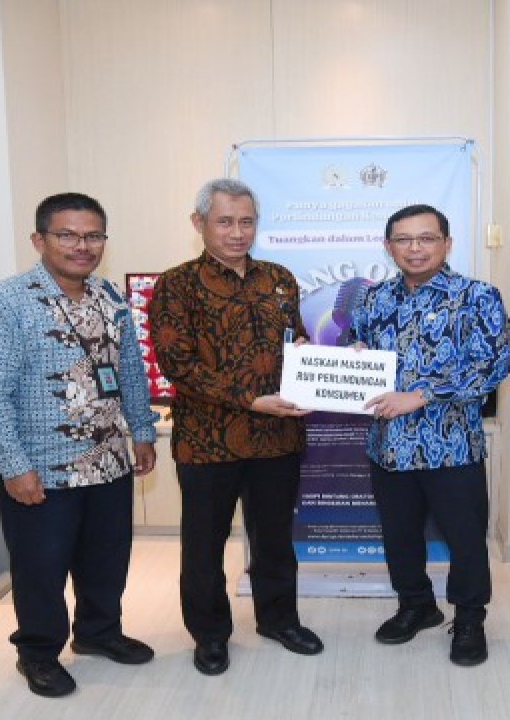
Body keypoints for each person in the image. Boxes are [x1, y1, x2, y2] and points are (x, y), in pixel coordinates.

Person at [0, 192, 160, 698]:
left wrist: (140, 431)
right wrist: (13, 466)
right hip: (41, 469)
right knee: (40, 569)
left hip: (109, 460)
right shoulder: (3, 301)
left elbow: (131, 372)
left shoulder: (108, 297)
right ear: (40, 239)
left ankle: (98, 633)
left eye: (93, 235)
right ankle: (37, 654)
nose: (82, 246)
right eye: (67, 235)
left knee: (106, 559)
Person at [148, 178, 322, 677]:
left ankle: (278, 620)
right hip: (208, 443)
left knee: (274, 539)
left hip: (278, 440)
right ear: (199, 223)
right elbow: (177, 363)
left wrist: (314, 362)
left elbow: (298, 342)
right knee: (203, 545)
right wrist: (251, 398)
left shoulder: (279, 278)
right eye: (225, 221)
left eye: (246, 221)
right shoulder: (176, 284)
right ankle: (209, 635)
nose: (237, 232)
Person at [350, 204, 510, 667]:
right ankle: (416, 605)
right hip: (389, 449)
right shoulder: (375, 298)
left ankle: (469, 618)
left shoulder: (476, 296)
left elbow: (492, 364)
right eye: (404, 239)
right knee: (399, 537)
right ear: (388, 246)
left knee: (465, 539)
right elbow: (355, 348)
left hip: (452, 447)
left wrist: (420, 396)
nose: (415, 248)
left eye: (426, 238)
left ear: (447, 243)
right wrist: (353, 353)